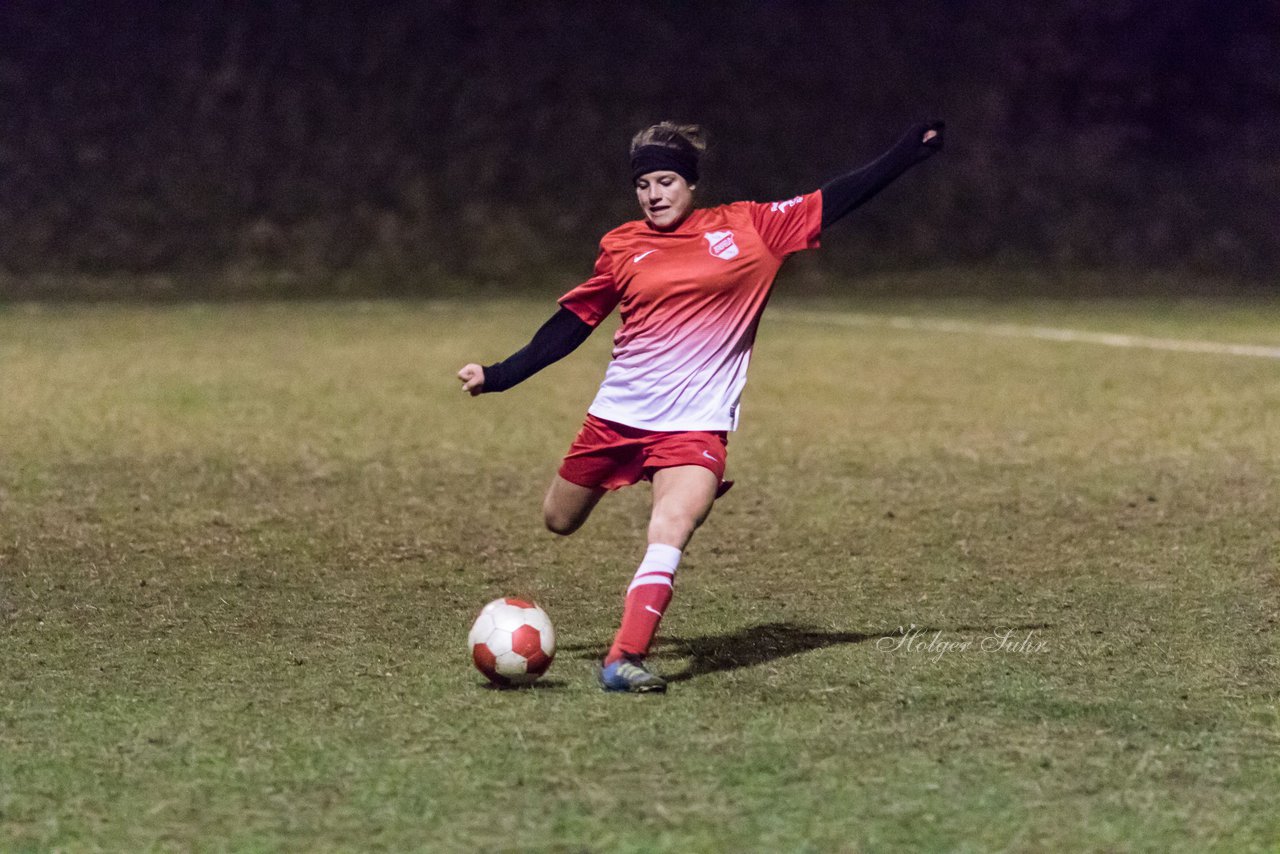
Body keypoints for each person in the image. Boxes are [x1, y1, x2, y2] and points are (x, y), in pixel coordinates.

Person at [458, 119, 944, 692]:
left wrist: (904, 153)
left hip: (695, 428)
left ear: (691, 184)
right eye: (644, 186)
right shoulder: (622, 246)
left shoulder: (751, 228)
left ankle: (623, 658)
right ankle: (621, 639)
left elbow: (834, 199)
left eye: (666, 181)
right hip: (617, 420)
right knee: (558, 520)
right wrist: (500, 375)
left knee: (671, 527)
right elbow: (572, 324)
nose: (654, 195)